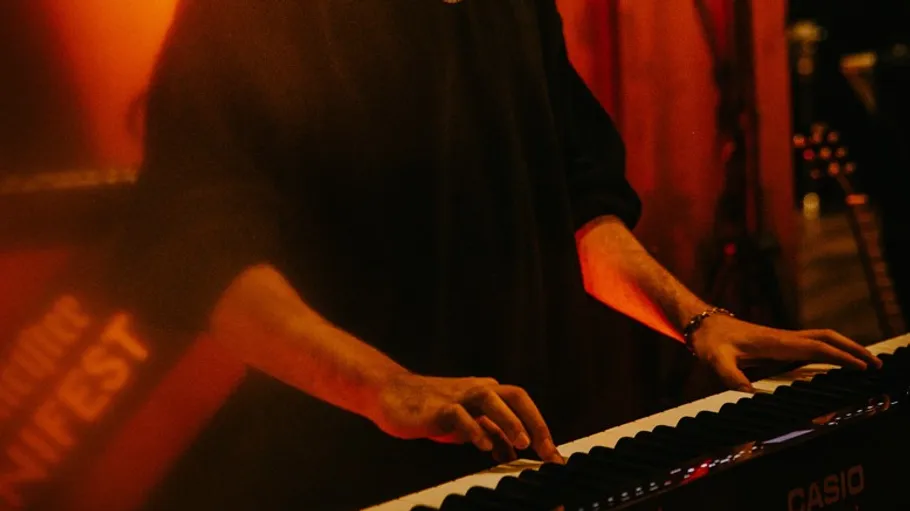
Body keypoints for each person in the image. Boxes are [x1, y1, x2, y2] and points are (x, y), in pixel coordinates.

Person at [109, 0, 880, 509]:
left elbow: (582, 208)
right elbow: (203, 252)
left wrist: (696, 318)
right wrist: (390, 387)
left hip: (528, 450)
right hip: (344, 474)